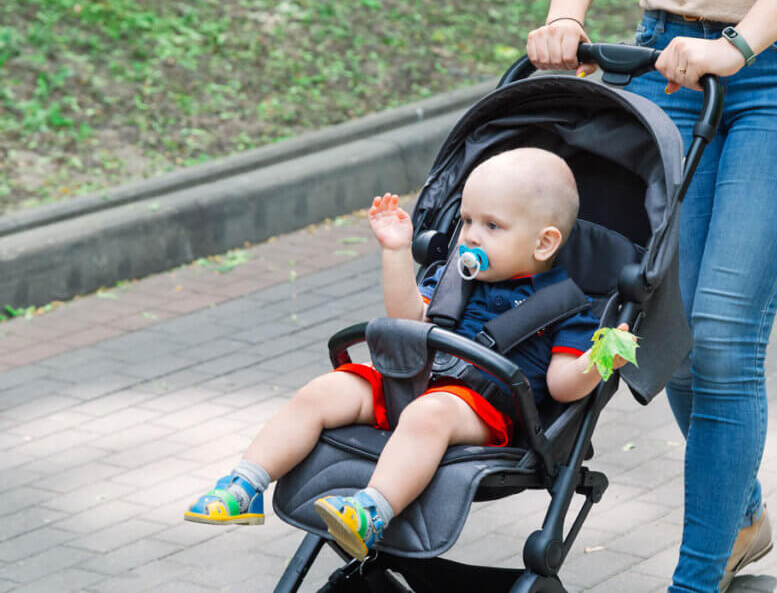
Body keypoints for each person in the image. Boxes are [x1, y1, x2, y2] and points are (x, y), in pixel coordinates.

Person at [526, 0, 777, 590]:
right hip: (671, 61)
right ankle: (740, 516)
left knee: (723, 335)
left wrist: (740, 44)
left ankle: (696, 579)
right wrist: (566, 15)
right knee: (667, 334)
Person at [184, 147, 632, 560]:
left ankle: (372, 510)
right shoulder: (455, 276)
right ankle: (245, 484)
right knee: (327, 389)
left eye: (491, 226)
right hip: (417, 378)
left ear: (543, 243)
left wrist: (598, 362)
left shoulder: (567, 305)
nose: (471, 235)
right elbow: (408, 320)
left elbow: (560, 384)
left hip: (480, 410)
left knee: (429, 414)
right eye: (468, 220)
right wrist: (396, 251)